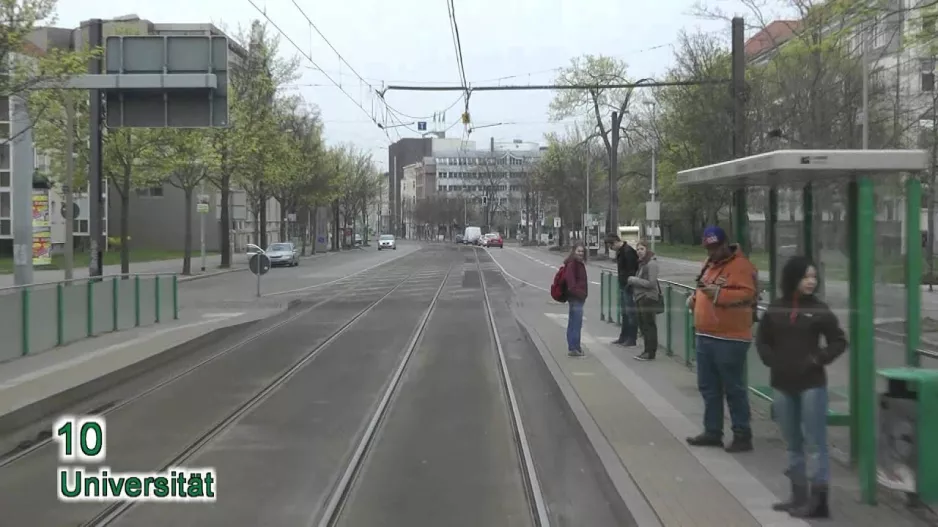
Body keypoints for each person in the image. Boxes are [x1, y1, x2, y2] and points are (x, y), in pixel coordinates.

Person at [756, 256, 845, 519]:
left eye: (814, 277)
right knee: (793, 442)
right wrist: (771, 360)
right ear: (793, 278)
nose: (811, 281)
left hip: (811, 385)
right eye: (806, 276)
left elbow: (839, 341)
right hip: (783, 384)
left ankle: (819, 502)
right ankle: (798, 495)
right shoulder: (776, 308)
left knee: (815, 443)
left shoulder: (819, 309)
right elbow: (762, 340)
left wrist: (817, 359)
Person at [686, 225, 758, 453]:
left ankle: (742, 433)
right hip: (706, 334)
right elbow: (704, 289)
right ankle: (713, 431)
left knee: (733, 388)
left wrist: (715, 295)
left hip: (730, 337)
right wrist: (695, 299)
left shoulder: (741, 267)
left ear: (726, 244)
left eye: (716, 247)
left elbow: (747, 294)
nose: (712, 252)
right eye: (709, 248)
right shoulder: (709, 266)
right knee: (709, 387)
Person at [627, 241, 661, 361]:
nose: (639, 252)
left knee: (649, 325)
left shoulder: (651, 264)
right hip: (641, 297)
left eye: (641, 249)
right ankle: (647, 351)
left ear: (647, 250)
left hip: (648, 298)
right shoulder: (642, 263)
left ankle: (650, 352)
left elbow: (651, 283)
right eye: (637, 249)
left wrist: (634, 280)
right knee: (644, 325)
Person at [609, 236, 639, 347]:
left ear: (616, 242)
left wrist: (627, 284)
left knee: (630, 312)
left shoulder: (628, 251)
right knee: (625, 313)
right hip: (623, 285)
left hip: (628, 287)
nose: (611, 248)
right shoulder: (622, 251)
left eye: (611, 246)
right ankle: (624, 336)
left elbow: (632, 270)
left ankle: (632, 338)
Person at [564, 244, 588, 357]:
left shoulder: (578, 264)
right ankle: (574, 348)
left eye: (582, 251)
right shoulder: (572, 264)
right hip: (576, 298)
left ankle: (575, 347)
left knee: (574, 323)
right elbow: (571, 284)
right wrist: (581, 294)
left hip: (577, 297)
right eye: (579, 251)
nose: (581, 253)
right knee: (576, 324)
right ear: (574, 251)